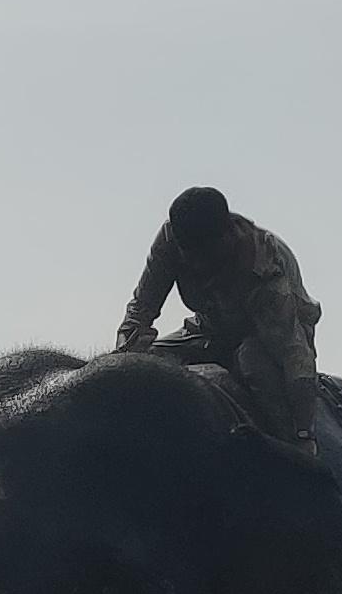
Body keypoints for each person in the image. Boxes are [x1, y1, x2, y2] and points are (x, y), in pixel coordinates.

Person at [114, 186, 324, 449]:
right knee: (147, 364)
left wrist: (304, 432)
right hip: (207, 329)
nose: (197, 265)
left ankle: (285, 451)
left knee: (253, 363)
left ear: (226, 235)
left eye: (204, 254)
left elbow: (293, 351)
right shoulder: (172, 240)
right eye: (189, 254)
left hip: (267, 334)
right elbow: (141, 308)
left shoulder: (263, 265)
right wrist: (122, 359)